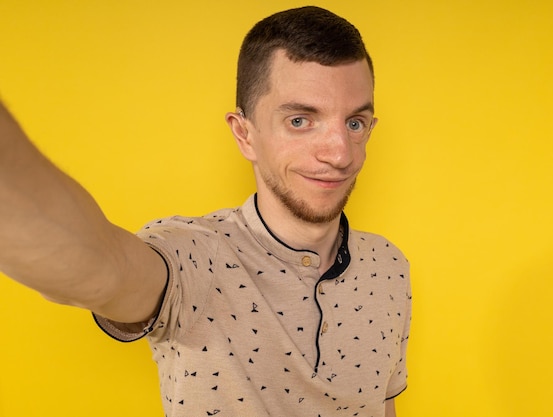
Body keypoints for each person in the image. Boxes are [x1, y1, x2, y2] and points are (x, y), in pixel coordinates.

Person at [0, 6, 411, 417]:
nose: (340, 154)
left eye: (355, 123)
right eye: (301, 120)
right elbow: (98, 269)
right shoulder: (196, 257)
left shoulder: (390, 265)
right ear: (244, 134)